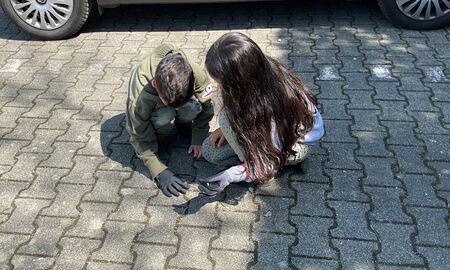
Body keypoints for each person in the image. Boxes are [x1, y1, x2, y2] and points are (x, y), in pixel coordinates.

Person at [199, 32, 324, 196]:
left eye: (220, 82)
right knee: (210, 150)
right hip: (270, 136)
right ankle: (251, 164)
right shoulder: (261, 74)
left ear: (239, 82)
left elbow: (269, 158)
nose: (218, 86)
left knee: (225, 121)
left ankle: (256, 170)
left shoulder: (271, 106)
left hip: (295, 145)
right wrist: (225, 130)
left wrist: (231, 175)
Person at [126, 43, 214, 197]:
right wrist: (158, 169)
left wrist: (198, 137)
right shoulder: (140, 93)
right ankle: (162, 121)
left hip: (169, 91)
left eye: (179, 107)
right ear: (155, 85)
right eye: (175, 107)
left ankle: (182, 127)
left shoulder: (196, 74)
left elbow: (207, 107)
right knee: (165, 115)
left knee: (193, 107)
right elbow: (137, 133)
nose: (177, 110)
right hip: (151, 103)